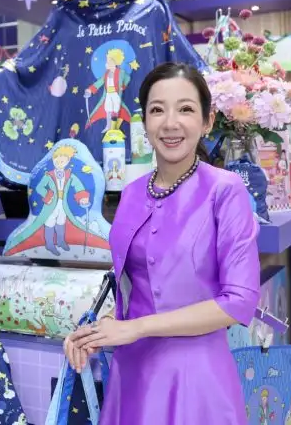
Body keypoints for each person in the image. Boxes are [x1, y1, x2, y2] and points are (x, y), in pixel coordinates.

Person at [63, 62, 260, 425]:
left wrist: (136, 328)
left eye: (185, 109)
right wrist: (98, 331)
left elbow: (239, 301)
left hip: (196, 381)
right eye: (157, 110)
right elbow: (133, 292)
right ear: (144, 121)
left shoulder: (225, 190)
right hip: (132, 375)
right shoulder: (131, 193)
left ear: (207, 121)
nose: (170, 123)